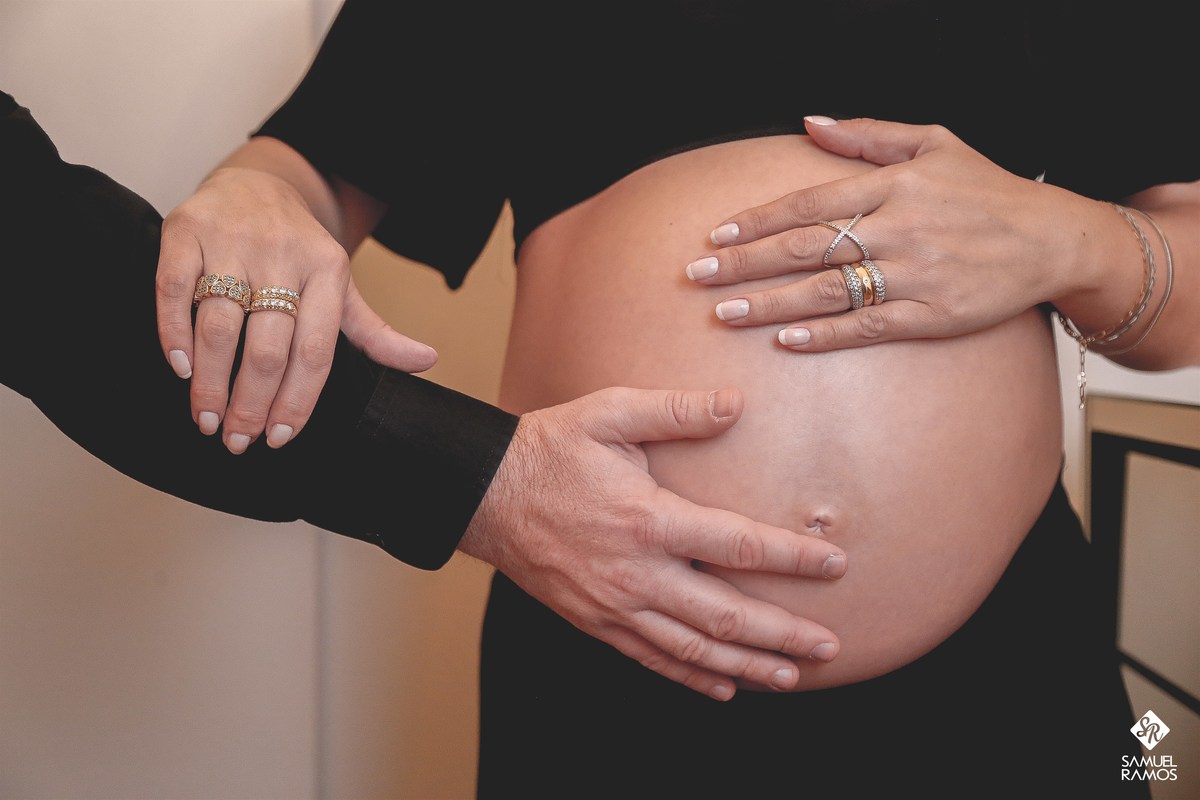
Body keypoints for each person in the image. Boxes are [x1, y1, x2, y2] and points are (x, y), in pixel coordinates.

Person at [14, 0, 1200, 797]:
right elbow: (312, 164)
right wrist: (259, 192)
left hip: (1005, 663)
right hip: (603, 628)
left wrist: (1074, 239)